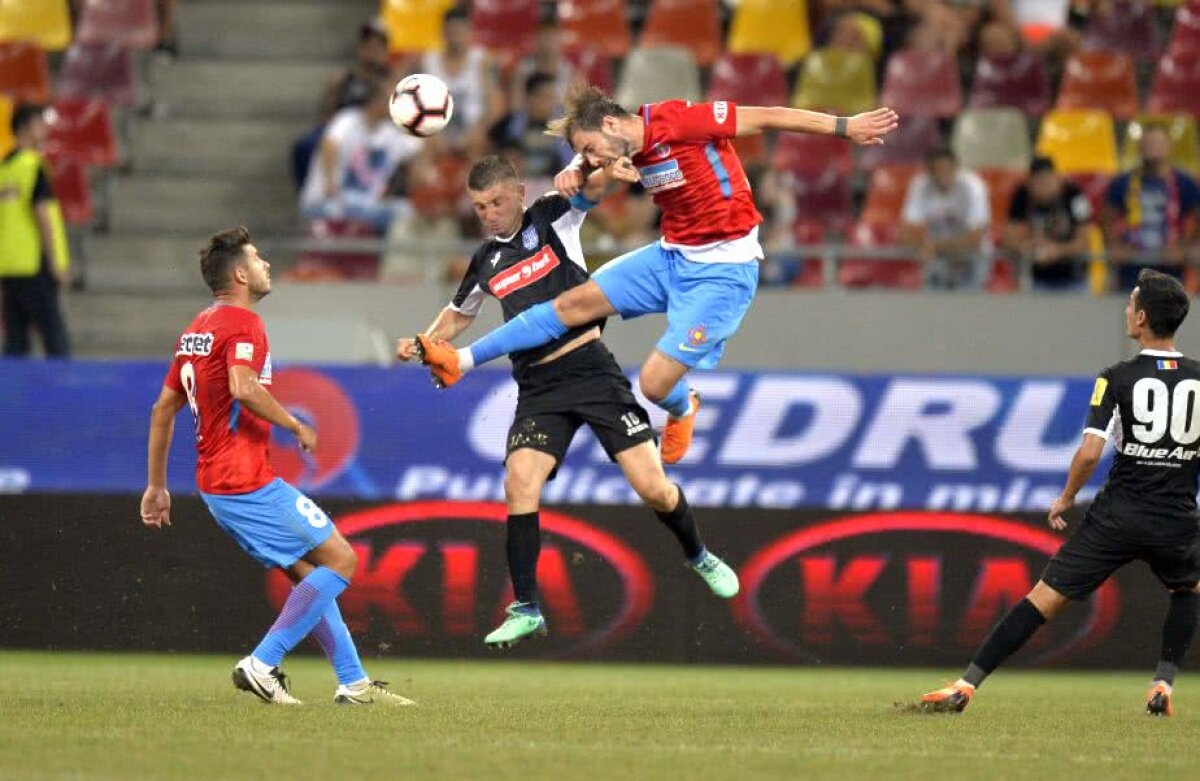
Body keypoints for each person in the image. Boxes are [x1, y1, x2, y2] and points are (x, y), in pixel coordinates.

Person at [415, 83, 898, 465]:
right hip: (671, 255)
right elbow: (594, 169)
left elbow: (768, 116)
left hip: (724, 271)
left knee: (653, 385)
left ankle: (684, 409)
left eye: (590, 147)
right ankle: (461, 361)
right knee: (570, 304)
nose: (592, 156)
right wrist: (578, 170)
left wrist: (844, 126)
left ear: (610, 122)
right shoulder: (612, 145)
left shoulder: (681, 120)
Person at [396, 156, 739, 648]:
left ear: (517, 192)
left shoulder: (552, 215)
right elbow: (459, 313)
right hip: (538, 387)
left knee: (654, 489)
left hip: (592, 371)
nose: (489, 214)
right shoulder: (484, 261)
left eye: (496, 202)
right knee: (519, 482)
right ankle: (527, 607)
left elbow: (591, 191)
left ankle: (699, 553)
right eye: (479, 207)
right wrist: (423, 340)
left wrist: (593, 170)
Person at [140, 226, 414, 707]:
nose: (266, 263)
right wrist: (295, 424)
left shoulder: (197, 328)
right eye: (259, 258)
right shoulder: (244, 323)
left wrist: (156, 486)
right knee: (342, 560)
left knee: (311, 575)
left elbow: (163, 409)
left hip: (216, 483)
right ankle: (262, 664)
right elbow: (244, 387)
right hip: (243, 479)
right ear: (241, 274)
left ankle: (352, 682)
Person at [921, 269, 1200, 717]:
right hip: (1176, 519)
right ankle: (1163, 683)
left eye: (1131, 304)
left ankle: (966, 685)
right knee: (1187, 589)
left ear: (1143, 317)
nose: (1127, 310)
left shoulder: (1117, 377)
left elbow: (1090, 453)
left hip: (1118, 516)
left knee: (1043, 600)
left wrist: (1067, 496)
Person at [299, 77, 420, 234]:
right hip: (329, 201)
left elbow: (420, 150)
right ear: (375, 101)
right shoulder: (348, 119)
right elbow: (329, 144)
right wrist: (330, 183)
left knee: (404, 210)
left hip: (365, 206)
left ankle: (392, 259)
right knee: (333, 210)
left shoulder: (391, 133)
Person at [0, 104, 71, 358]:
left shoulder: (5, 168)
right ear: (24, 128)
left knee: (16, 343)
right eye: (39, 123)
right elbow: (43, 215)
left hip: (9, 266)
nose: (44, 129)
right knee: (55, 340)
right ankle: (63, 395)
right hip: (34, 264)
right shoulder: (32, 165)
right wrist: (55, 262)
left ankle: (12, 397)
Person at [291, 19, 392, 190]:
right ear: (360, 49)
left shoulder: (388, 84)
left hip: (370, 132)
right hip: (340, 130)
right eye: (368, 46)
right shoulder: (342, 79)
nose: (372, 52)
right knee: (304, 147)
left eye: (377, 48)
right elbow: (327, 113)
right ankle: (310, 193)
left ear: (384, 52)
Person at [1103, 125, 1200, 292]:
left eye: (1157, 143)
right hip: (1132, 266)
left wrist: (1185, 247)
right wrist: (1114, 244)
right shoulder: (1123, 182)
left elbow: (1197, 218)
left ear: (1169, 147)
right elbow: (1106, 216)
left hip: (1170, 267)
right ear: (1139, 148)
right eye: (1147, 144)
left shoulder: (1185, 183)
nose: (1152, 148)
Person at [901, 145, 991, 290]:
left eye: (947, 170)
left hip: (969, 260)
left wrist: (935, 246)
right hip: (938, 261)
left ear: (956, 168)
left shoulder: (973, 186)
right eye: (938, 171)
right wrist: (925, 244)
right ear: (930, 171)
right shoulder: (920, 185)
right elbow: (905, 234)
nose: (943, 176)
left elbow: (976, 238)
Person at [1004, 156, 1093, 292]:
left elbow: (1084, 241)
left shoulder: (1076, 196)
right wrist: (1026, 247)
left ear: (1057, 178)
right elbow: (1010, 237)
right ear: (1029, 183)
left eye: (1047, 182)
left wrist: (1057, 251)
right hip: (1037, 280)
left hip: (1074, 279)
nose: (1043, 189)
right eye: (1037, 184)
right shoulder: (1021, 195)